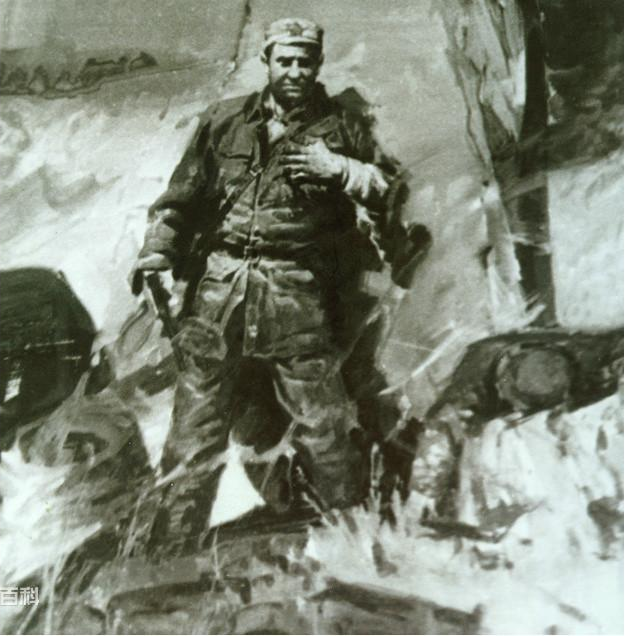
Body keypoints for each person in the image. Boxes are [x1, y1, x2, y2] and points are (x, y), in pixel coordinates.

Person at [131, 17, 402, 548]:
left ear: (318, 64)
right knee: (194, 429)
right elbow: (179, 200)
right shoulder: (225, 121)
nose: (295, 71)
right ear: (267, 62)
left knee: (322, 424)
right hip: (218, 293)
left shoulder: (344, 125)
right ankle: (170, 550)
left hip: (297, 292)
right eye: (285, 60)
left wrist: (341, 169)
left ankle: (357, 539)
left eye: (305, 61)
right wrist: (157, 251)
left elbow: (389, 191)